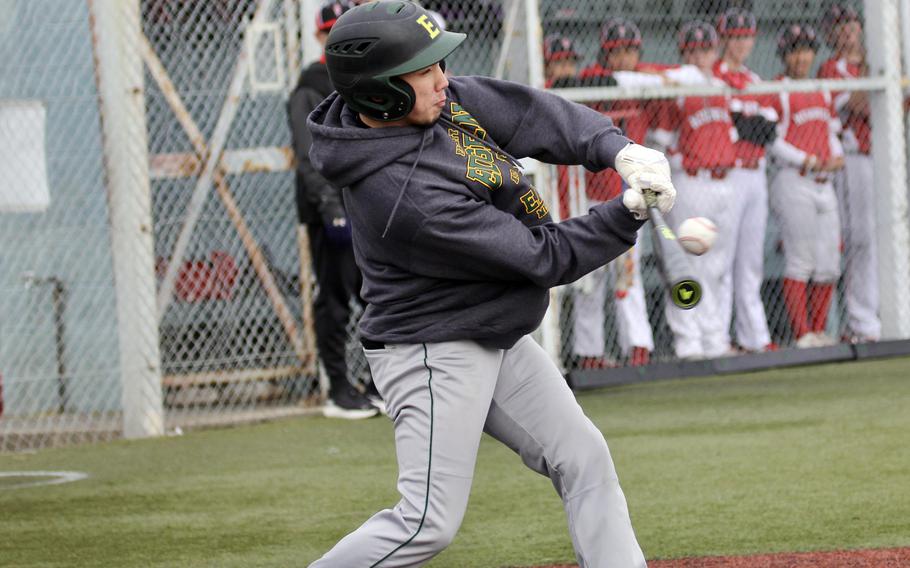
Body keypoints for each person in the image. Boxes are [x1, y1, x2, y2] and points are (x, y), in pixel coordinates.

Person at [305, 2, 677, 566]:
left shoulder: (433, 106)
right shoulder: (402, 197)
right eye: (423, 70)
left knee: (583, 457)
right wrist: (625, 214)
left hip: (489, 327)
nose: (442, 79)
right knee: (425, 523)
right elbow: (538, 256)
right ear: (381, 93)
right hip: (433, 350)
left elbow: (531, 116)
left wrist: (616, 149)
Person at [287, 0, 380, 419]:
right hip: (333, 210)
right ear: (320, 36)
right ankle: (339, 390)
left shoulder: (363, 77)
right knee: (336, 299)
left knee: (376, 295)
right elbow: (308, 156)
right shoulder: (311, 83)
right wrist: (330, 208)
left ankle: (379, 385)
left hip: (366, 204)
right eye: (332, 30)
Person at [566, 18, 659, 368]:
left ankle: (638, 349)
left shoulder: (643, 80)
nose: (624, 58)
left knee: (628, 276)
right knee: (591, 280)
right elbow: (587, 80)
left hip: (632, 194)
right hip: (593, 195)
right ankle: (590, 354)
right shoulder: (591, 78)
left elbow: (675, 76)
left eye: (630, 50)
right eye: (617, 51)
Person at [652, 21, 739, 360]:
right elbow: (659, 142)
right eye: (695, 49)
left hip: (724, 182)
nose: (701, 55)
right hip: (690, 180)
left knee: (717, 265)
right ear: (684, 52)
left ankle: (714, 338)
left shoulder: (720, 85)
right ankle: (688, 341)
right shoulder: (677, 88)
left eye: (707, 49)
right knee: (686, 263)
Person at [769, 24, 845, 347]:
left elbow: (831, 133)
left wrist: (837, 156)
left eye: (806, 50)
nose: (802, 57)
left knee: (828, 261)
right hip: (793, 179)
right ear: (785, 55)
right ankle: (802, 334)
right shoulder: (777, 88)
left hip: (823, 181)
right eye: (795, 51)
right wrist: (805, 159)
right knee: (800, 258)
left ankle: (818, 329)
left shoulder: (821, 87)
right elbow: (771, 139)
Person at [712, 7, 777, 353]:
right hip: (730, 174)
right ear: (723, 39)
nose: (741, 43)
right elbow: (731, 127)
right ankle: (720, 338)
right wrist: (744, 123)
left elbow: (767, 130)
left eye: (746, 37)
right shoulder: (714, 77)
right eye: (735, 37)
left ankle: (755, 336)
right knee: (723, 258)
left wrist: (742, 122)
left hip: (757, 175)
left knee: (751, 260)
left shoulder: (753, 80)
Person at [817, 5, 880, 343]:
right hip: (852, 158)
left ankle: (879, 315)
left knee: (883, 239)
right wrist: (875, 65)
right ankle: (860, 321)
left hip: (884, 157)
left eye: (850, 24)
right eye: (838, 26)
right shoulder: (832, 67)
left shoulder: (879, 63)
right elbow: (860, 105)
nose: (846, 31)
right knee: (859, 239)